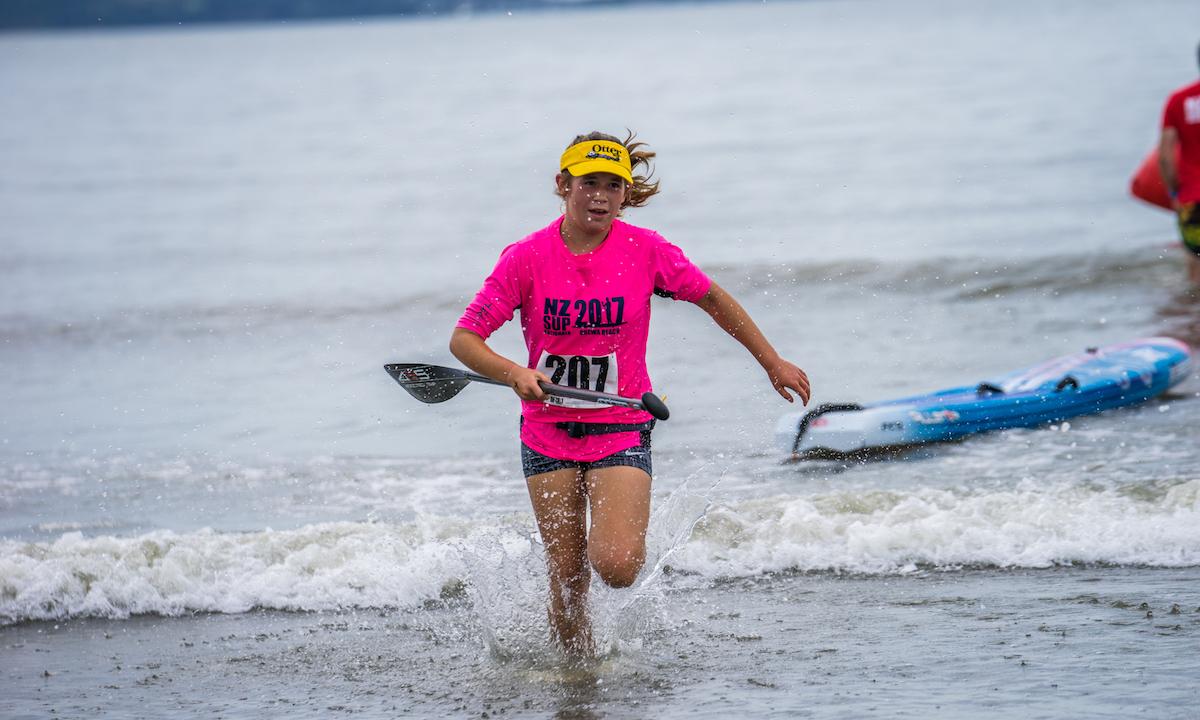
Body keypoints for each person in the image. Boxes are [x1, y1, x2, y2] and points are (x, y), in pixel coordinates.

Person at [450, 131, 810, 657]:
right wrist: (512, 372)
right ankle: (577, 677)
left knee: (616, 567)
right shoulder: (525, 258)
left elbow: (713, 300)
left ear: (625, 193)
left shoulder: (647, 251)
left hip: (620, 427)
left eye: (612, 186)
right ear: (563, 185)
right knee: (568, 579)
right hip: (546, 432)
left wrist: (772, 361)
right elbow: (464, 339)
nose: (600, 195)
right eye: (588, 183)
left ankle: (615, 612)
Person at [1158, 42, 1200, 283]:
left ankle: (1193, 319)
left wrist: (1174, 190)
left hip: (1193, 199)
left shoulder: (1178, 100)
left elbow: (1165, 155)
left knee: (1195, 270)